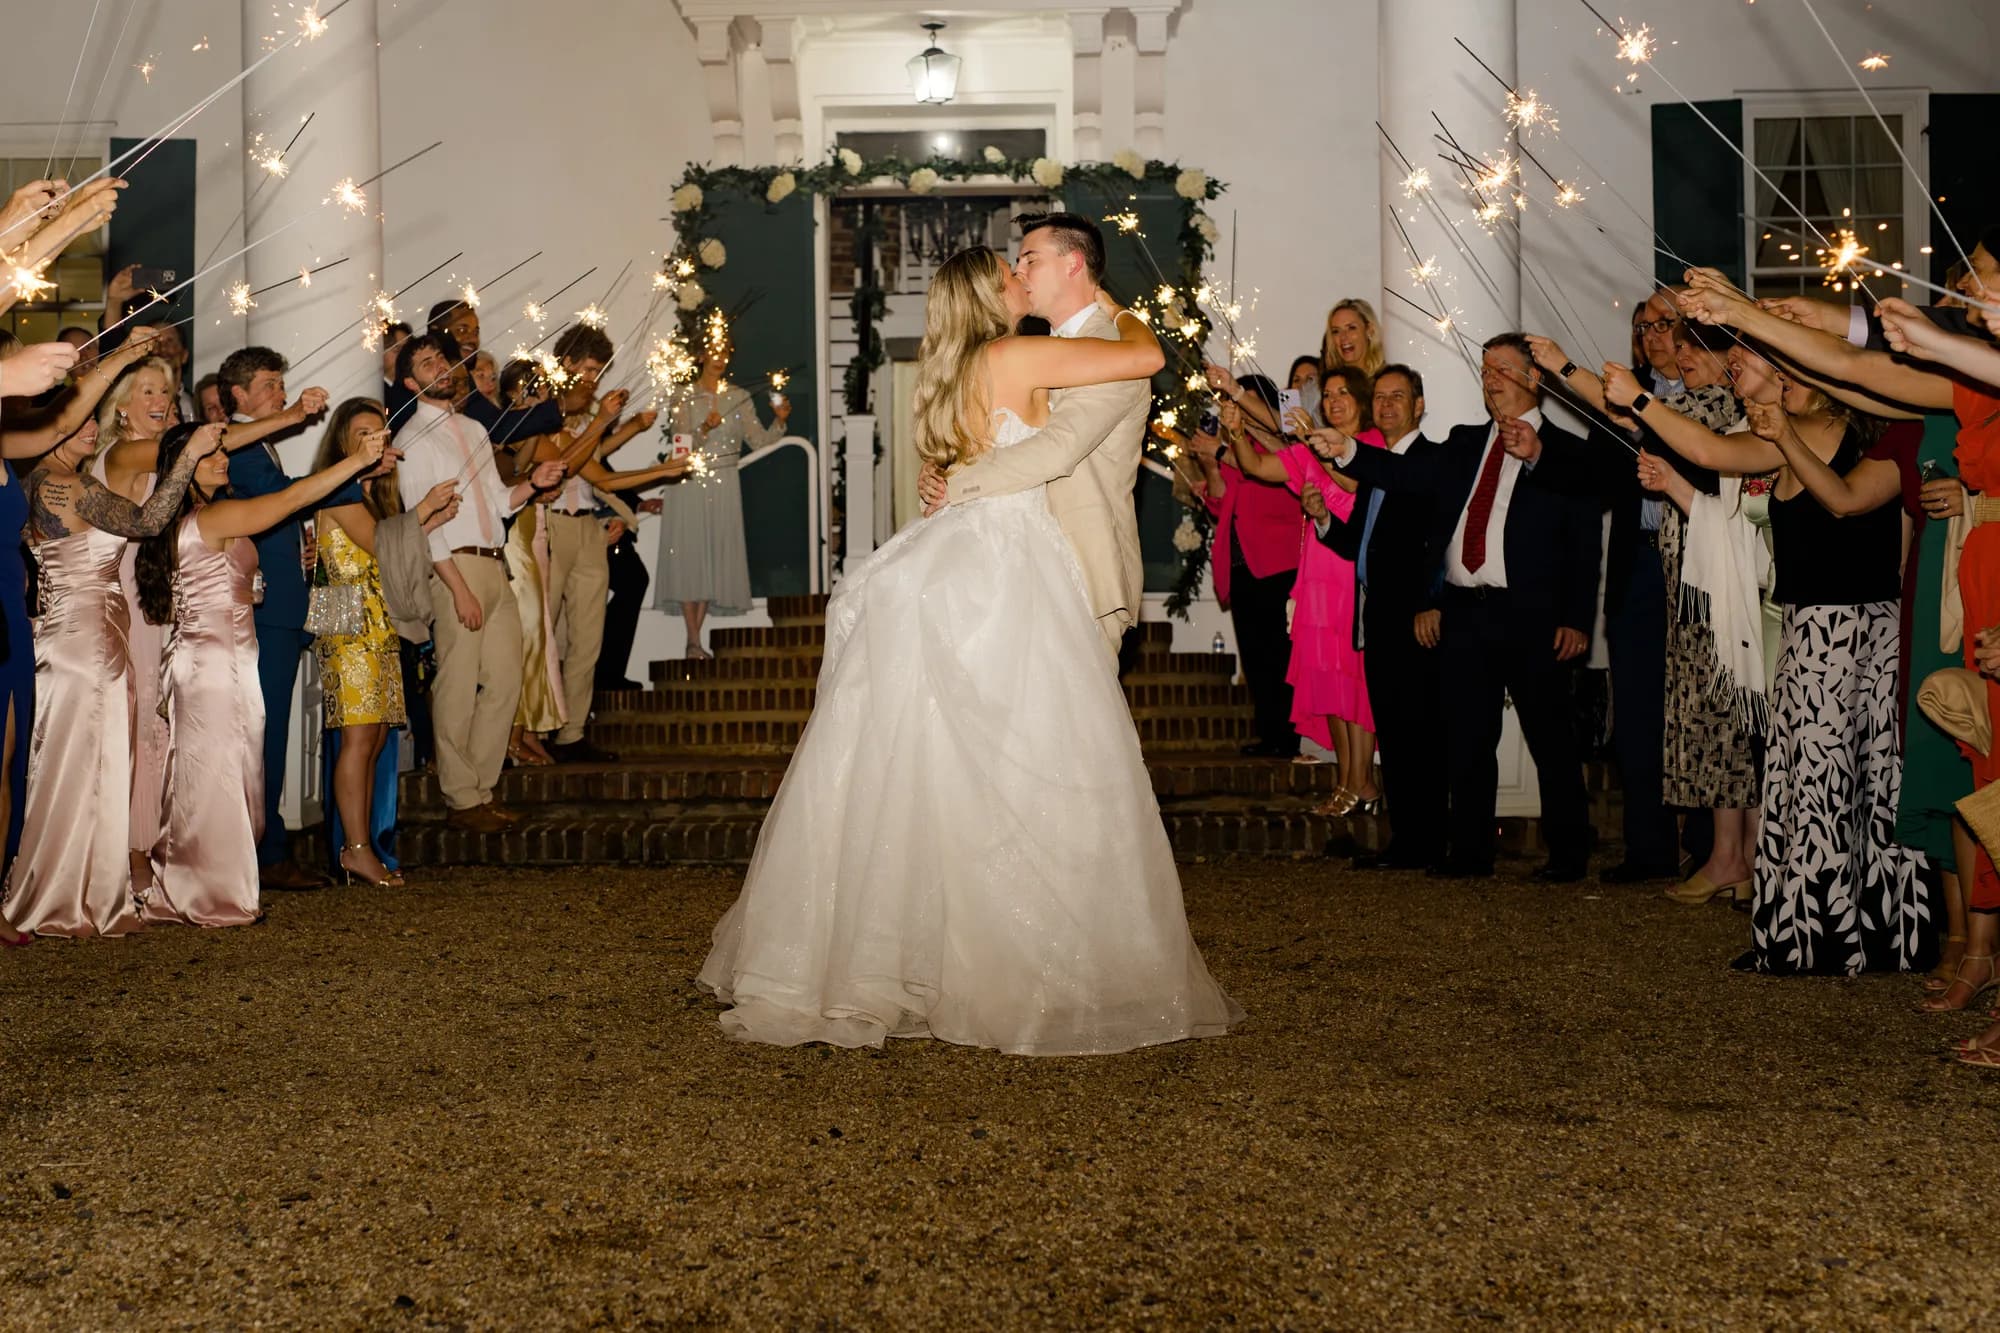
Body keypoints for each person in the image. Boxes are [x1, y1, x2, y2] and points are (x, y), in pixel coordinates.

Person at [700, 242, 1238, 1053]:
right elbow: (1141, 358)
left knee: (951, 764)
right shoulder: (1024, 350)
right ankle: (1030, 963)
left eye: (1029, 261)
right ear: (994, 293)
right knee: (1031, 759)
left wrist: (956, 484)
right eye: (1010, 270)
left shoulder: (950, 368)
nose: (1021, 275)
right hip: (1015, 561)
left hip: (990, 550)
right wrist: (1128, 312)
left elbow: (979, 456)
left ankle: (921, 955)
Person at [1604, 333, 1929, 977]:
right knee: (1819, 783)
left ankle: (1839, 938)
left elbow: (1844, 503)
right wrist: (1612, 387)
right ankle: (1830, 934)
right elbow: (1705, 448)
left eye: (1769, 364)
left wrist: (1779, 435)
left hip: (1852, 629)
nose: (1742, 370)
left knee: (1843, 784)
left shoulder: (1853, 436)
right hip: (1822, 624)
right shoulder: (1784, 434)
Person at [1321, 335, 1603, 881]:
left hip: (1532, 614)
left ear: (1534, 379)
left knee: (1551, 739)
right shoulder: (1465, 442)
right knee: (1468, 738)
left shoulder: (1566, 451)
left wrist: (1575, 617)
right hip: (1465, 612)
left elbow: (1584, 537)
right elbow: (1406, 477)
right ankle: (1471, 853)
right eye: (1485, 368)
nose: (1491, 378)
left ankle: (1568, 855)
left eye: (1503, 369)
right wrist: (1348, 450)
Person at [135, 421, 389, 927]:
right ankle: (205, 889)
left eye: (221, 454)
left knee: (224, 775)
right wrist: (355, 463)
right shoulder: (218, 514)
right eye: (208, 457)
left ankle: (208, 882)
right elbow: (291, 499)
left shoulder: (197, 516)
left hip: (216, 655)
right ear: (182, 467)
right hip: (214, 662)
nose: (222, 461)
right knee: (222, 778)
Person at [2, 420, 219, 938]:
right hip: (91, 636)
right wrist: (187, 456)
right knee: (88, 767)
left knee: (70, 764)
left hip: (65, 632)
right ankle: (69, 897)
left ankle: (79, 889)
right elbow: (147, 521)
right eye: (79, 423)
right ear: (50, 430)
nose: (92, 429)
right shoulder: (72, 487)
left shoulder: (33, 482)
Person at [392, 335, 566, 832]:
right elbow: (420, 524)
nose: (441, 368)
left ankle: (481, 789)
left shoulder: (471, 427)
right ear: (411, 383)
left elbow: (498, 500)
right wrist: (457, 589)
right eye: (426, 364)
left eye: (442, 360)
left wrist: (534, 483)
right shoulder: (412, 440)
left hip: (494, 563)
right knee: (456, 685)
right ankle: (461, 797)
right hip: (456, 571)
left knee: (507, 680)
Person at [1213, 365, 1381, 809]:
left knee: (1352, 684)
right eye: (1327, 395)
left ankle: (1363, 783)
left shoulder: (1371, 445)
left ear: (1361, 401)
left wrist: (1319, 448)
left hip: (1350, 577)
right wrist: (1233, 432)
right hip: (1316, 583)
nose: (1334, 401)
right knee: (1329, 685)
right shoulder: (1311, 452)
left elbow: (1353, 483)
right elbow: (1255, 465)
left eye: (1344, 393)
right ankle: (1345, 781)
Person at [310, 399, 457, 888]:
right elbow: (383, 545)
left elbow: (393, 551)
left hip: (375, 621)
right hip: (348, 622)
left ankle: (364, 844)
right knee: (358, 738)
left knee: (373, 739)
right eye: (364, 432)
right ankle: (353, 850)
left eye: (381, 431)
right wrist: (426, 510)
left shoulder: (369, 497)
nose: (377, 439)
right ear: (343, 441)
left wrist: (427, 521)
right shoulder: (339, 493)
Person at [1309, 365, 1445, 869]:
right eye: (1381, 397)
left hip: (1415, 619)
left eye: (1398, 397)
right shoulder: (1379, 466)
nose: (1387, 405)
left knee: (1419, 732)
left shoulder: (1430, 460)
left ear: (1419, 406)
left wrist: (1431, 602)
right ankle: (1406, 839)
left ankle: (1428, 840)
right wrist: (1324, 518)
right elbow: (1358, 543)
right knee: (1393, 731)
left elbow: (1437, 543)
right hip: (1378, 615)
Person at [219, 345, 330, 893]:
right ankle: (265, 851)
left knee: (271, 731)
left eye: (280, 385)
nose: (279, 394)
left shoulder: (260, 445)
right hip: (265, 612)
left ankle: (266, 846)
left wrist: (294, 549)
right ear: (237, 394)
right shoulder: (237, 450)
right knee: (264, 732)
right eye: (267, 385)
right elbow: (279, 499)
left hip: (281, 601)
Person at [652, 318, 790, 658]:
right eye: (713, 351)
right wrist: (702, 428)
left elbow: (758, 441)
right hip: (691, 481)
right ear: (700, 355)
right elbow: (680, 445)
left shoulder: (738, 397)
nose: (719, 357)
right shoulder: (684, 396)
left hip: (725, 482)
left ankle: (695, 641)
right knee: (690, 555)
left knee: (712, 555)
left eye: (724, 351)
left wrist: (781, 420)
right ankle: (693, 639)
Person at [1190, 373, 1303, 755]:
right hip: (1240, 562)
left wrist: (1223, 452)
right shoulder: (1233, 445)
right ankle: (1270, 734)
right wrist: (1209, 464)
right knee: (1256, 656)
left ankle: (1287, 738)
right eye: (1238, 403)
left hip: (1279, 561)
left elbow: (1289, 489)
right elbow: (1221, 503)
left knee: (1280, 655)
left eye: (1252, 401)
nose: (1244, 410)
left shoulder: (1281, 447)